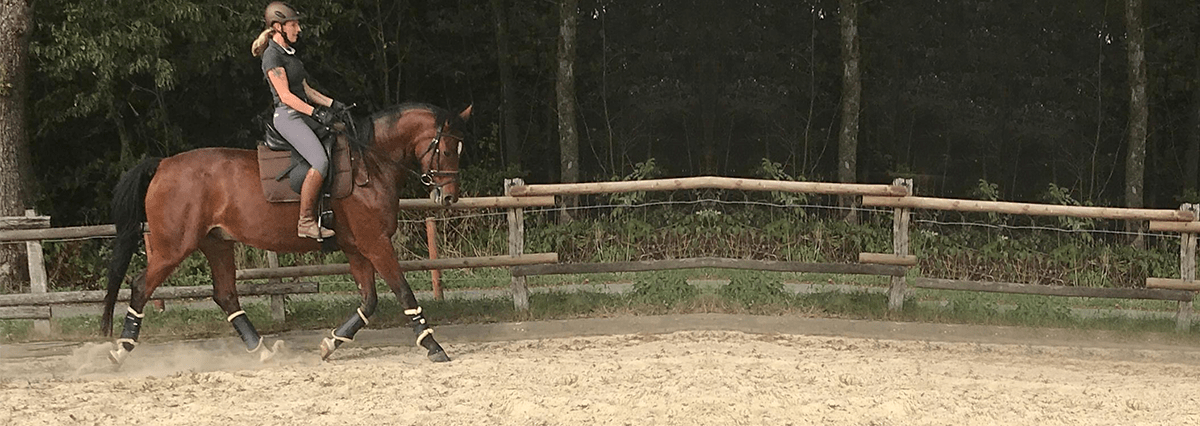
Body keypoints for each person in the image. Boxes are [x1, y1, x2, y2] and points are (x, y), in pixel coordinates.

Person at [251, 1, 346, 239]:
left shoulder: (289, 54)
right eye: (294, 25)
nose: (298, 29)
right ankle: (305, 221)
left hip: (302, 111)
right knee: (320, 161)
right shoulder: (272, 56)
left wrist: (332, 104)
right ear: (278, 27)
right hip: (288, 116)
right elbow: (285, 96)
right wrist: (315, 113)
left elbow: (305, 89)